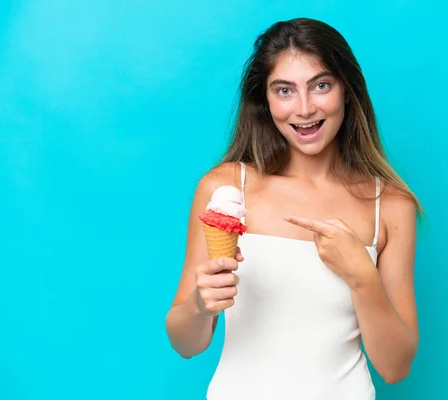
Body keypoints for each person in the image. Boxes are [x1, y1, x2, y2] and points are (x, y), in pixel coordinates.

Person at [165, 17, 422, 400]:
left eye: (321, 86)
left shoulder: (391, 206)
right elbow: (186, 343)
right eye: (284, 90)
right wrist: (202, 306)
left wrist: (361, 277)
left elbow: (395, 367)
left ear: (347, 91)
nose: (304, 109)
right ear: (265, 102)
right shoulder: (224, 188)